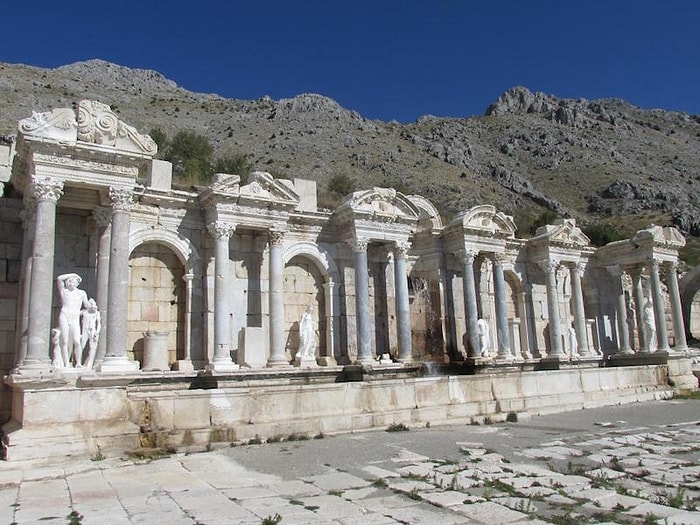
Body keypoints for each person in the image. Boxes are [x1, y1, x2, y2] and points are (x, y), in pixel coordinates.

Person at [56, 273, 91, 367]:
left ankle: (78, 362)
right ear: (68, 282)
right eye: (71, 281)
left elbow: (86, 304)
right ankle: (66, 363)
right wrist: (73, 274)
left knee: (77, 341)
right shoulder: (64, 292)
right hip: (64, 315)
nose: (73, 283)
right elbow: (59, 278)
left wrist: (91, 307)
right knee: (65, 341)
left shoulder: (81, 293)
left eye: (75, 281)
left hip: (75, 317)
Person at [80, 298, 101, 369]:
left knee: (92, 347)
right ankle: (78, 362)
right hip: (85, 329)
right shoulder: (84, 312)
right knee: (81, 345)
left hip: (92, 330)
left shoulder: (96, 313)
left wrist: (97, 332)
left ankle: (89, 363)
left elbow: (99, 323)